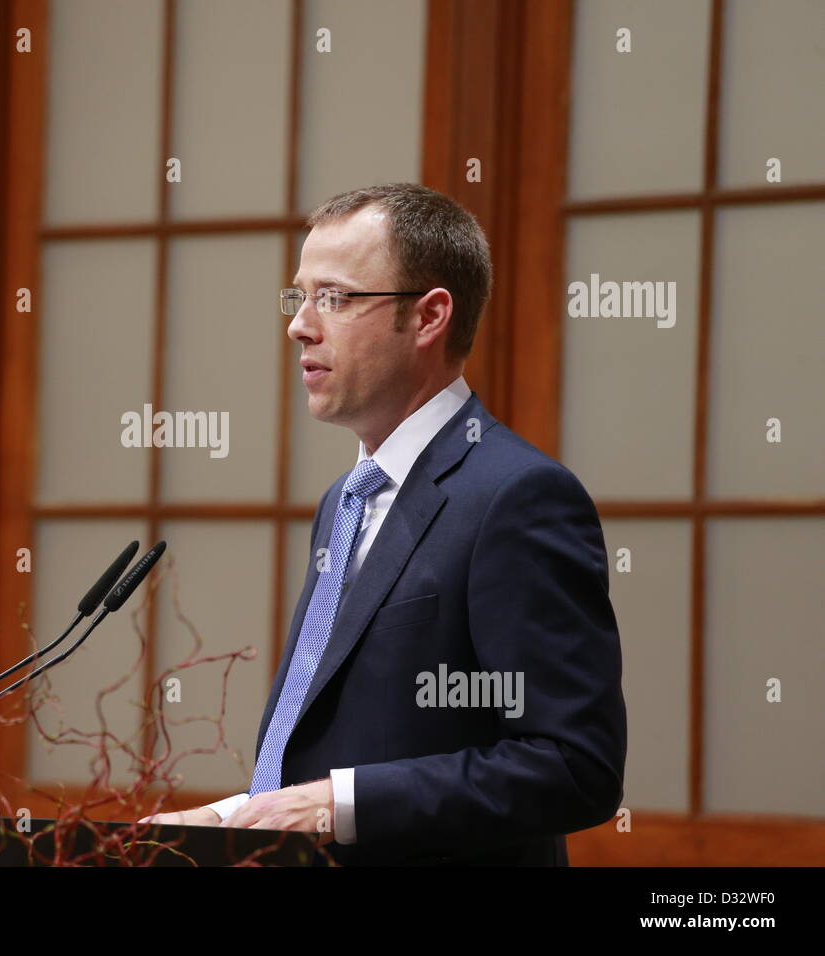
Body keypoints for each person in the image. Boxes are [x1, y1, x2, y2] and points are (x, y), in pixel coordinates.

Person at [140, 183, 627, 865]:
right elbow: (351, 741)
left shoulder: (517, 497)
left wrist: (337, 806)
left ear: (428, 317)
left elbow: (574, 766)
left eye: (334, 298)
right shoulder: (345, 499)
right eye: (298, 296)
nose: (299, 325)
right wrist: (227, 819)